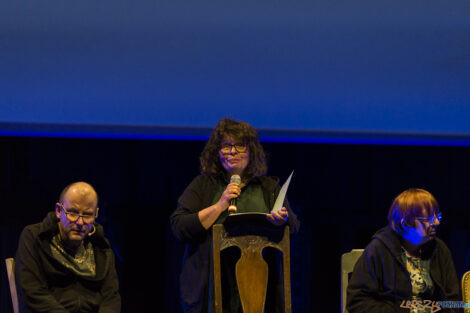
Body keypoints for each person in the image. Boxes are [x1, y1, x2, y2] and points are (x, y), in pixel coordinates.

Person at [170, 118, 300, 313]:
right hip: (212, 287)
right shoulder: (204, 185)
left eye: (240, 145)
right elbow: (179, 226)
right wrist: (220, 205)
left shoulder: (268, 188)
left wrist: (283, 220)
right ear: (217, 152)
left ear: (251, 151)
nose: (232, 151)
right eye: (225, 146)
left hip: (259, 287)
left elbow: (295, 226)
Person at [347, 188, 460, 313]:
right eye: (429, 219)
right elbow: (357, 302)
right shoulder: (378, 250)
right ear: (406, 223)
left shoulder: (439, 250)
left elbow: (453, 300)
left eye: (437, 216)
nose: (437, 222)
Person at [15, 181, 121, 313]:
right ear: (59, 211)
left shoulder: (101, 245)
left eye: (87, 215)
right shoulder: (35, 237)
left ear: (96, 214)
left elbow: (111, 297)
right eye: (73, 213)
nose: (80, 222)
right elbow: (33, 291)